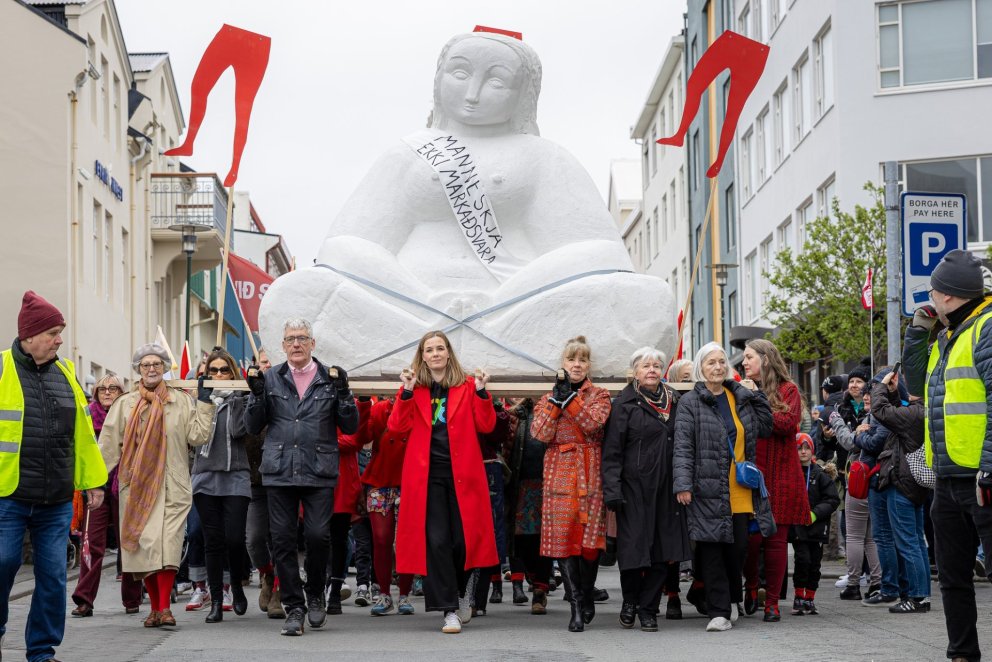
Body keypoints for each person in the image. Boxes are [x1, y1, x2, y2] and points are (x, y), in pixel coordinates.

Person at [260, 29, 674, 381]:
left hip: (515, 312)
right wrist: (423, 299)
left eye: (495, 81)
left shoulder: (543, 157)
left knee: (649, 300)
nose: (473, 93)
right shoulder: (408, 154)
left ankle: (466, 338)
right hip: (404, 309)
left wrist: (503, 300)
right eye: (460, 73)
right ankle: (445, 339)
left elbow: (600, 252)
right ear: (439, 78)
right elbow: (344, 247)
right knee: (292, 294)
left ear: (521, 92)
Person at [0, 291, 108, 662]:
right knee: (3, 564)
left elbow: (82, 434)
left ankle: (42, 652)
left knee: (52, 577)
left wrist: (93, 481)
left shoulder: (65, 373)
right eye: (53, 332)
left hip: (56, 499)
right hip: (7, 496)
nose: (60, 339)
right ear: (29, 336)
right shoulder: (0, 369)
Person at [902, 249, 992, 660]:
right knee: (953, 578)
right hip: (949, 477)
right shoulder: (949, 334)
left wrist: (989, 469)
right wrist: (917, 333)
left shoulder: (986, 329)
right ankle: (962, 654)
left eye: (934, 292)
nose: (931, 299)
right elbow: (916, 383)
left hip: (981, 477)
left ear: (951, 296)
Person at [244, 318, 359, 636]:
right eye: (290, 339)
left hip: (318, 469)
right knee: (281, 540)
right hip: (279, 470)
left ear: (312, 344)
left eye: (302, 338)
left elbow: (350, 427)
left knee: (318, 536)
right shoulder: (270, 378)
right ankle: (294, 608)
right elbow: (252, 426)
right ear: (282, 345)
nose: (296, 344)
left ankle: (317, 594)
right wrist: (255, 395)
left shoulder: (328, 378)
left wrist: (345, 394)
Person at [388, 330, 498, 634]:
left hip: (464, 475)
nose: (435, 354)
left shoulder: (465, 385)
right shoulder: (417, 388)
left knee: (464, 542)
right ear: (422, 356)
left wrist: (482, 392)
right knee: (436, 542)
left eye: (440, 348)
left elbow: (486, 424)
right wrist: (406, 392)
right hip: (427, 477)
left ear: (448, 353)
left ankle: (463, 593)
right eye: (429, 349)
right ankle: (448, 609)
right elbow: (396, 427)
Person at [101, 342, 215, 629]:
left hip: (173, 484)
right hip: (137, 486)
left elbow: (199, 436)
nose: (151, 369)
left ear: (165, 368)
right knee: (146, 548)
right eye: (145, 365)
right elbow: (108, 445)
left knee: (169, 546)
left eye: (156, 364)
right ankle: (155, 608)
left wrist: (204, 402)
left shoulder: (180, 400)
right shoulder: (124, 404)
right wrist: (94, 483)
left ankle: (164, 608)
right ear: (139, 370)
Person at [673, 342, 774, 633]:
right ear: (700, 369)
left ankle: (731, 597)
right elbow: (682, 446)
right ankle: (718, 612)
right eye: (710, 363)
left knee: (738, 548)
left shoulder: (738, 396)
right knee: (711, 550)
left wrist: (757, 397)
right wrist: (682, 483)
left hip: (740, 487)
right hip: (706, 487)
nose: (717, 367)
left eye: (721, 362)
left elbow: (765, 427)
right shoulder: (691, 402)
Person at [602, 347, 690, 632]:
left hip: (668, 488)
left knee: (663, 551)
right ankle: (630, 602)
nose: (651, 370)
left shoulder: (675, 401)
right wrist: (612, 490)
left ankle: (649, 608)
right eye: (645, 366)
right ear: (635, 372)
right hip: (633, 489)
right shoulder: (624, 404)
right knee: (632, 550)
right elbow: (612, 451)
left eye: (656, 365)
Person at [531, 335, 611, 633]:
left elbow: (593, 425)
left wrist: (571, 401)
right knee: (564, 541)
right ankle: (576, 604)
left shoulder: (600, 395)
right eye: (571, 359)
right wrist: (555, 403)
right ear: (563, 363)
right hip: (559, 471)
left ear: (589, 365)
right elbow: (539, 433)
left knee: (589, 543)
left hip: (591, 471)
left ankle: (587, 591)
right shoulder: (546, 397)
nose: (577, 365)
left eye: (582, 359)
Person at [740, 339, 809, 622]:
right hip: (752, 473)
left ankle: (772, 603)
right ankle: (752, 585)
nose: (744, 363)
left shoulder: (788, 390)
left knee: (776, 541)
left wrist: (757, 398)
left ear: (765, 359)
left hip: (781, 474)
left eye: (749, 357)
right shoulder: (740, 388)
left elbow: (784, 424)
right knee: (751, 540)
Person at [71, 374, 143, 617]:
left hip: (125, 486)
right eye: (103, 388)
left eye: (114, 388)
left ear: (121, 393)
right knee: (91, 545)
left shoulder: (130, 415)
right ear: (96, 392)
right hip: (96, 487)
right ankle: (84, 599)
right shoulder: (87, 416)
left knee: (129, 543)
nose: (108, 392)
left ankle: (132, 598)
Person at [190, 349, 251, 623]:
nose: (217, 376)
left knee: (235, 539)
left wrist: (239, 398)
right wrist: (203, 403)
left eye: (223, 370)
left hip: (235, 475)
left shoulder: (241, 397)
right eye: (212, 371)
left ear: (232, 374)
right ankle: (216, 600)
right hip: (205, 476)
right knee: (212, 541)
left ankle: (236, 583)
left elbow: (240, 431)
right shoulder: (197, 401)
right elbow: (192, 437)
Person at [868, 369, 931, 614]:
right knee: (916, 541)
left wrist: (882, 386)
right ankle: (922, 595)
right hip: (915, 485)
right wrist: (893, 393)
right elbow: (895, 415)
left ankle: (916, 597)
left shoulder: (913, 414)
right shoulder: (924, 412)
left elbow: (880, 411)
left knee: (907, 543)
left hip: (902, 483)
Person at [827, 380, 884, 603]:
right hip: (876, 481)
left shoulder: (874, 419)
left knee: (854, 536)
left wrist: (838, 422)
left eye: (869, 394)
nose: (866, 396)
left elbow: (851, 442)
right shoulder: (886, 416)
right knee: (870, 538)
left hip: (861, 481)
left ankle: (853, 584)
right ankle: (876, 581)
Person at [361, 395, 415, 616]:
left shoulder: (417, 406)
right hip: (379, 480)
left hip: (408, 481)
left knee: (406, 540)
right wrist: (364, 407)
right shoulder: (380, 409)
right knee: (381, 539)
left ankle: (404, 594)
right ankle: (384, 593)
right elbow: (362, 437)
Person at [243, 348, 284, 618]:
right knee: (254, 540)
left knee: (283, 538)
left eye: (272, 362)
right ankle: (267, 574)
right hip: (256, 480)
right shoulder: (247, 395)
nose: (267, 367)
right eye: (263, 361)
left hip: (284, 479)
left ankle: (280, 592)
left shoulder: (288, 392)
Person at [505, 397, 553, 615]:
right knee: (522, 539)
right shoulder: (515, 416)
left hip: (548, 484)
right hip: (522, 485)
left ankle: (540, 588)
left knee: (545, 539)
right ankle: (534, 578)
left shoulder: (553, 410)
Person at [324, 396, 371, 616]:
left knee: (340, 537)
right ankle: (320, 586)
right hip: (315, 479)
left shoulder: (348, 403)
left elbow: (355, 440)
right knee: (315, 538)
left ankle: (334, 590)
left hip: (342, 482)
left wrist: (322, 443)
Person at [789, 433, 840, 616]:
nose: (803, 452)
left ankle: (810, 598)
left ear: (812, 451)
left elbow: (832, 499)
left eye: (806, 448)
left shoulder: (820, 475)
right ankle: (798, 596)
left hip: (817, 527)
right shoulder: (790, 473)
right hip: (798, 527)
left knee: (815, 564)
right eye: (799, 448)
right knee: (802, 560)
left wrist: (815, 513)